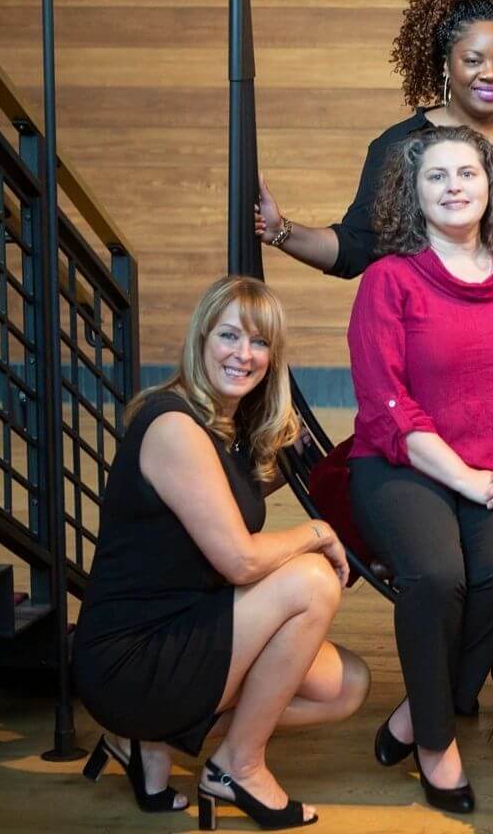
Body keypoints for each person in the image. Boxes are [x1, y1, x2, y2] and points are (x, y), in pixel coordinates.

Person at [72, 275, 368, 832]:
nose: (244, 354)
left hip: (191, 625)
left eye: (260, 343)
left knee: (345, 685)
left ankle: (149, 738)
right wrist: (318, 532)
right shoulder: (173, 426)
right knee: (312, 582)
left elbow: (246, 494)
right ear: (202, 337)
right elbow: (240, 560)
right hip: (133, 656)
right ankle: (238, 765)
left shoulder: (229, 429)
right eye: (230, 336)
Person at [346, 125, 493, 815]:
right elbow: (386, 406)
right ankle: (437, 743)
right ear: (413, 194)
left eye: (466, 173)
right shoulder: (389, 280)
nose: (454, 187)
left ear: (491, 183)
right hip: (405, 468)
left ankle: (417, 707)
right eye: (436, 177)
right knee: (437, 576)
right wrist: (467, 479)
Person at [256, 0, 493, 293]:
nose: (490, 74)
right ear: (446, 64)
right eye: (473, 60)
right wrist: (280, 230)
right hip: (435, 345)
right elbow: (356, 248)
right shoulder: (400, 147)